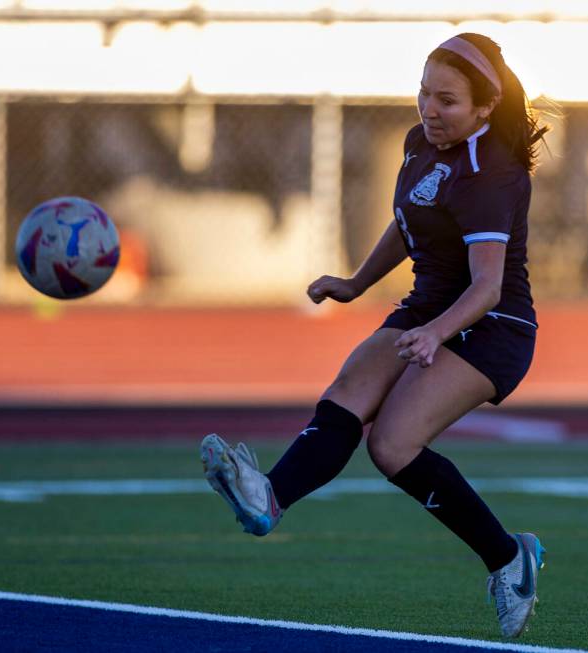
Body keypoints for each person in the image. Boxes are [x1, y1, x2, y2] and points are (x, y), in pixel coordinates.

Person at [200, 32, 549, 639]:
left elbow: (488, 287)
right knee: (346, 394)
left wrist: (437, 334)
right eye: (424, 92)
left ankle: (508, 559)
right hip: (429, 312)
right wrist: (357, 283)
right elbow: (408, 217)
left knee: (390, 446)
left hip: (492, 327)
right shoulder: (422, 143)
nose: (429, 109)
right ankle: (267, 500)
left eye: (447, 101)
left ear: (485, 108)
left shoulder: (490, 173)